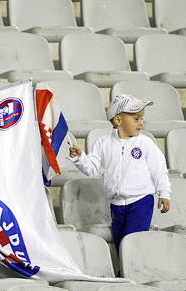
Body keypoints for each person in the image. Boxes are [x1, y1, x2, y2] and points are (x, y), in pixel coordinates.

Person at [69, 94, 171, 254]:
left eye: (141, 118)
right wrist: (80, 157)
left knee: (132, 241)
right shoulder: (103, 143)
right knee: (120, 243)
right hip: (116, 205)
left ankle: (129, 273)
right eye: (136, 119)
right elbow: (91, 168)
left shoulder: (145, 143)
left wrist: (164, 193)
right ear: (118, 120)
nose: (141, 124)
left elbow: (159, 169)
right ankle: (126, 272)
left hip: (141, 201)